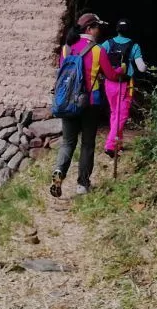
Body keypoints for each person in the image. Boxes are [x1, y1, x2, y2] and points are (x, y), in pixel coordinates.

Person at [50, 12, 124, 198]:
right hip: (90, 103)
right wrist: (121, 69)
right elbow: (111, 75)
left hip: (68, 102)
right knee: (87, 145)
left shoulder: (66, 49)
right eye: (97, 27)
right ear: (89, 28)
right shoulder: (98, 50)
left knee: (67, 142)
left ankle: (60, 171)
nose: (100, 30)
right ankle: (82, 184)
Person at [100, 19, 146, 158]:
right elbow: (141, 68)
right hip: (126, 84)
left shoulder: (107, 43)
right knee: (122, 114)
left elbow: (100, 60)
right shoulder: (134, 45)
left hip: (109, 82)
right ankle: (110, 145)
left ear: (117, 29)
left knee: (115, 113)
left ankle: (118, 143)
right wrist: (146, 66)